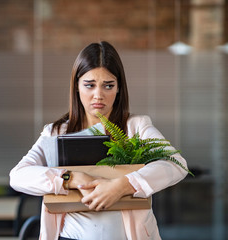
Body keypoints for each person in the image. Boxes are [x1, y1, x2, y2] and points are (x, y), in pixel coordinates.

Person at [10, 41, 188, 240]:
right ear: (77, 86)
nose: (98, 95)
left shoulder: (136, 126)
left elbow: (176, 164)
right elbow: (17, 176)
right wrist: (69, 178)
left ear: (119, 88)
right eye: (89, 85)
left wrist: (122, 186)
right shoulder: (55, 132)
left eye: (108, 86)